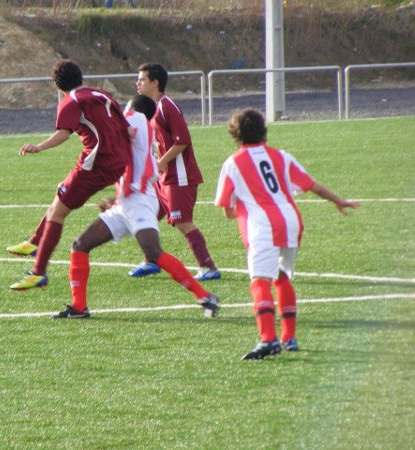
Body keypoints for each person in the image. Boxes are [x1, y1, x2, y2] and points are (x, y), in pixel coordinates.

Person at [53, 94, 219, 319]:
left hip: (139, 201)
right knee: (80, 245)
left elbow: (108, 131)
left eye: (125, 107)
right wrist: (117, 197)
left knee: (153, 252)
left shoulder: (135, 119)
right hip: (128, 201)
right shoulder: (140, 126)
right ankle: (79, 307)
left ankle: (205, 296)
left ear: (133, 108)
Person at [215, 108, 360, 360]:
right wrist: (338, 200)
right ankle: (289, 337)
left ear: (235, 134)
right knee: (281, 277)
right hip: (291, 223)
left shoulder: (232, 164)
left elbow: (228, 211)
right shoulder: (281, 157)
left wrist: (245, 207)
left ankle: (268, 339)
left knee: (259, 281)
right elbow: (311, 185)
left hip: (263, 226)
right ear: (263, 130)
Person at [8, 60, 131, 290]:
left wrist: (38, 146)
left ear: (57, 85)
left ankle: (38, 272)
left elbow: (63, 133)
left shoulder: (70, 101)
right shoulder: (101, 94)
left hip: (96, 164)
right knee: (62, 192)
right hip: (121, 160)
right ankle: (34, 242)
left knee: (58, 213)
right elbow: (127, 129)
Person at [131, 62, 221, 282]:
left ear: (155, 83)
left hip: (179, 177)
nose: (138, 83)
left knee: (182, 222)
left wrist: (161, 162)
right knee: (148, 217)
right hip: (162, 178)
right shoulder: (150, 108)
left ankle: (208, 267)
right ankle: (151, 261)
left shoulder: (166, 106)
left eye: (142, 79)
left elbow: (182, 141)